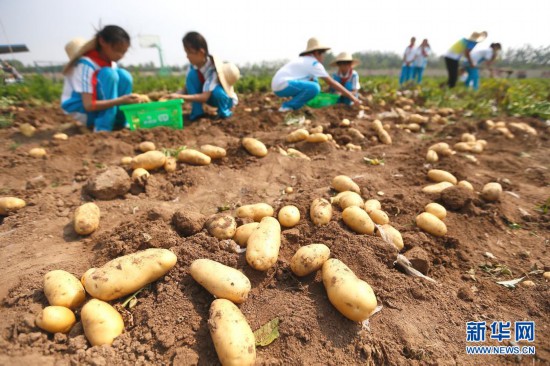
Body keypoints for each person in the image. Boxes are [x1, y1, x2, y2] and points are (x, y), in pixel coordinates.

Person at [61, 25, 140, 132]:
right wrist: (120, 100)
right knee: (108, 74)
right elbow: (88, 105)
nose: (120, 56)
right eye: (117, 50)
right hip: (82, 110)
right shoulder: (85, 65)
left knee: (124, 76)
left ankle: (122, 123)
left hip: (99, 108)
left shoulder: (111, 64)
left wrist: (129, 101)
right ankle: (102, 128)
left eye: (124, 52)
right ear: (102, 42)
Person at [272, 37, 361, 112]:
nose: (323, 56)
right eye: (322, 54)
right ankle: (287, 107)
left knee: (314, 80)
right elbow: (332, 83)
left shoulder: (304, 60)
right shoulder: (314, 64)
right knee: (314, 88)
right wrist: (352, 97)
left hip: (279, 85)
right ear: (316, 53)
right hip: (283, 85)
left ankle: (297, 105)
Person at [166, 31, 240, 121]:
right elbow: (186, 89)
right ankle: (197, 113)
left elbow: (205, 97)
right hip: (206, 96)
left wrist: (180, 97)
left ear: (201, 53)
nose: (187, 56)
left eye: (189, 53)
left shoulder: (213, 70)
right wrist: (174, 95)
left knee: (218, 92)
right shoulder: (192, 68)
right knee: (191, 76)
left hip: (221, 99)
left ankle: (224, 113)